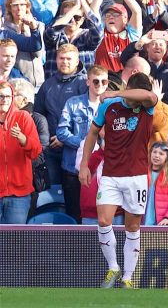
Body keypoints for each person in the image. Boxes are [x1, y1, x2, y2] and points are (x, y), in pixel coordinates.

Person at [79, 72, 158, 288]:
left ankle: (128, 277)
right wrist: (85, 165)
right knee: (104, 221)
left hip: (137, 177)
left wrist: (116, 91)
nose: (137, 103)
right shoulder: (109, 106)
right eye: (133, 100)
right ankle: (113, 267)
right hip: (111, 175)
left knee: (132, 227)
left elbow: (149, 96)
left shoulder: (146, 106)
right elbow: (92, 133)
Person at [56, 65, 109, 223]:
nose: (100, 85)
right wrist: (84, 143)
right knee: (75, 214)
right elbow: (61, 131)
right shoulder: (73, 103)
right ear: (87, 82)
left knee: (102, 216)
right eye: (96, 81)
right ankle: (76, 248)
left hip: (103, 170)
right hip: (73, 167)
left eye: (104, 81)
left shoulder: (112, 105)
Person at [35, 44, 88, 189]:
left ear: (77, 61)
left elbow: (87, 117)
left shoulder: (84, 84)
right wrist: (46, 140)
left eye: (69, 59)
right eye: (61, 58)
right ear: (56, 60)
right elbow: (38, 115)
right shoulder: (47, 85)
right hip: (51, 149)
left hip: (76, 150)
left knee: (74, 197)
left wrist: (64, 138)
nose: (65, 62)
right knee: (53, 192)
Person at [0, 80, 43, 224]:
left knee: (14, 242)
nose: (4, 100)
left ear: (12, 98)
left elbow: (36, 152)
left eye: (7, 96)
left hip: (19, 194)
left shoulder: (23, 117)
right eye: (0, 96)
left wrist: (23, 139)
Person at [44, 0, 103, 78]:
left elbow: (98, 31)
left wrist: (83, 2)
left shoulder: (86, 36)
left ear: (82, 20)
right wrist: (75, 7)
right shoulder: (56, 36)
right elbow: (51, 32)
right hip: (54, 87)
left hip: (81, 87)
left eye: (77, 17)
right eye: (69, 17)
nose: (72, 20)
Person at [95, 0, 143, 72]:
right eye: (108, 15)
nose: (111, 17)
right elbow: (94, 9)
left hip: (125, 83)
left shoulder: (132, 35)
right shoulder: (99, 32)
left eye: (116, 14)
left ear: (125, 19)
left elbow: (137, 11)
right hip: (102, 83)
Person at [1, 0, 45, 89]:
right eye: (15, 5)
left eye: (22, 4)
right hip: (17, 82)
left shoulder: (38, 26)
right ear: (9, 8)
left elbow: (38, 53)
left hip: (39, 83)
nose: (19, 8)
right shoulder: (6, 31)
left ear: (27, 7)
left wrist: (30, 28)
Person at [145, 141, 168, 226]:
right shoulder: (142, 172)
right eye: (154, 152)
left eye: (161, 154)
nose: (156, 156)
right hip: (141, 224)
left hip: (162, 224)